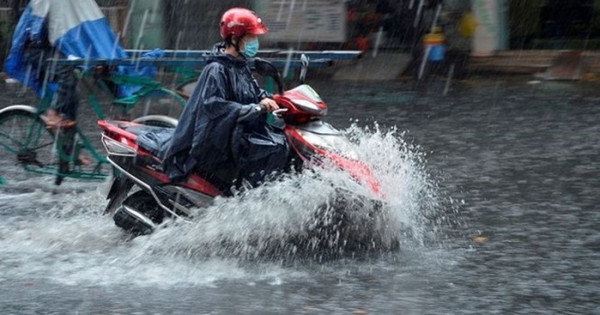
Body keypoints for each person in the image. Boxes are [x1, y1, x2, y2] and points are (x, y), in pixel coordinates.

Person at [157, 7, 288, 191]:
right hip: (217, 141)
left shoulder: (240, 66)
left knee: (280, 143)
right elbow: (215, 106)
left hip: (237, 133)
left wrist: (276, 100)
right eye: (251, 38)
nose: (255, 43)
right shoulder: (217, 69)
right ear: (234, 39)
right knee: (270, 150)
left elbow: (255, 93)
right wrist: (255, 108)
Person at [4, 0, 129, 129]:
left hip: (55, 47)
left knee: (103, 70)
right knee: (66, 71)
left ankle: (119, 112)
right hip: (36, 48)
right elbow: (49, 27)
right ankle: (54, 114)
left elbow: (84, 26)